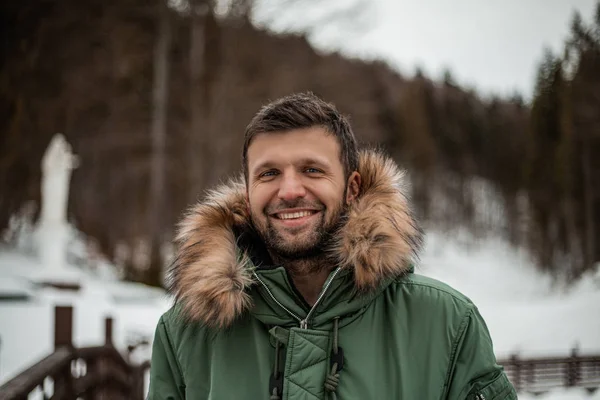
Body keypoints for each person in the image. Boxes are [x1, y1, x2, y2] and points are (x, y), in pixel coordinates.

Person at [148, 92, 517, 399]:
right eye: (269, 173)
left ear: (352, 188)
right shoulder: (186, 334)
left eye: (312, 170)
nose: (290, 191)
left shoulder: (447, 324)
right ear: (248, 194)